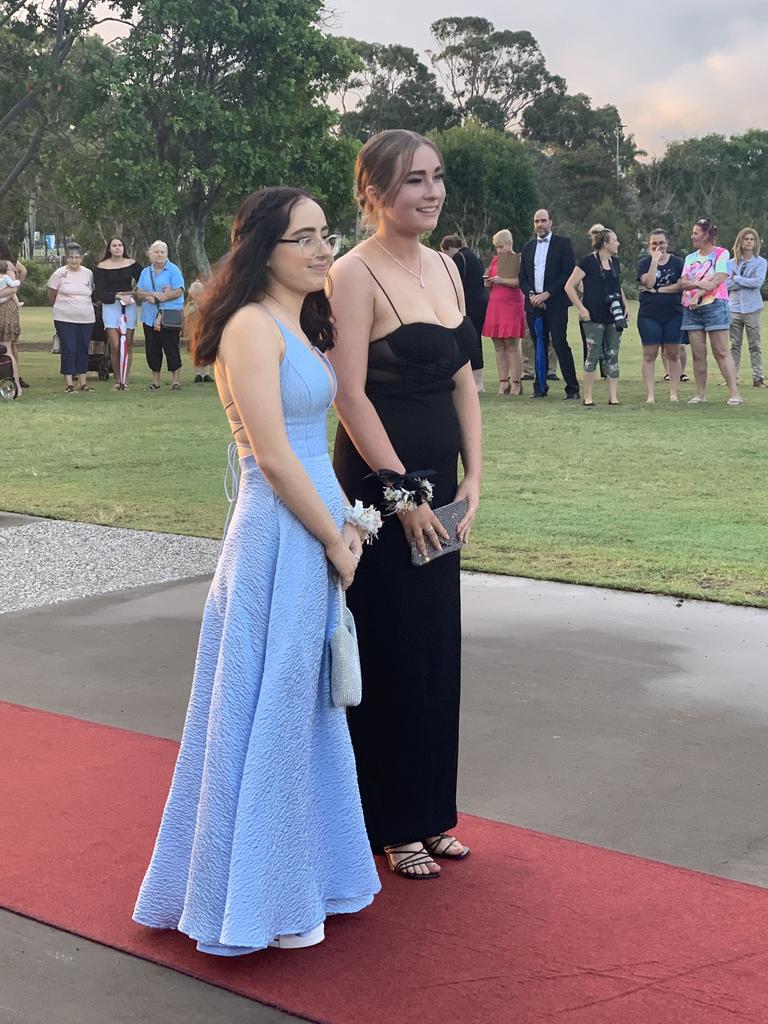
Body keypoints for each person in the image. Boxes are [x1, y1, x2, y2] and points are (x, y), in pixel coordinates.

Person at [133, 186, 380, 955]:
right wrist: (336, 539)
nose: (319, 250)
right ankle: (252, 901)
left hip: (311, 527)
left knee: (304, 706)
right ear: (261, 248)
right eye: (301, 238)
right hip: (278, 533)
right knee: (267, 708)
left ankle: (299, 876)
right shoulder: (248, 326)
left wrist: (345, 527)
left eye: (324, 235)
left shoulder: (297, 325)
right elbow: (271, 457)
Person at [328, 129, 482, 880]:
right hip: (377, 489)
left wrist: (474, 478)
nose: (431, 191)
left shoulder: (450, 267)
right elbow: (349, 394)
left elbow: (463, 380)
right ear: (374, 194)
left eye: (437, 177)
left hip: (443, 484)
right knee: (387, 648)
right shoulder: (351, 274)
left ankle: (431, 811)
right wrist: (402, 493)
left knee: (433, 647)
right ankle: (389, 824)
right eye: (414, 181)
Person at [676, 219, 741, 405]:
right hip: (691, 309)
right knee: (698, 353)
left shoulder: (721, 253)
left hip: (715, 305)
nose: (692, 236)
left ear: (706, 235)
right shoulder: (690, 258)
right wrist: (696, 286)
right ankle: (700, 394)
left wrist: (700, 294)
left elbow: (718, 279)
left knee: (721, 351)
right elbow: (683, 282)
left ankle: (735, 393)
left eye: (696, 233)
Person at [518, 208, 580, 399]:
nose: (540, 225)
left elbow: (567, 273)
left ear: (551, 222)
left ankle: (572, 389)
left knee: (560, 343)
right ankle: (540, 387)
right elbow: (523, 276)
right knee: (538, 346)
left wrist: (546, 294)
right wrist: (531, 294)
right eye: (537, 221)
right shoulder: (528, 247)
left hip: (555, 304)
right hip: (533, 305)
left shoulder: (563, 244)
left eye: (543, 221)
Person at [565, 225, 629, 407]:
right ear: (606, 243)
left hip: (613, 315)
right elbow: (569, 286)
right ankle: (588, 397)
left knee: (612, 354)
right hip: (593, 316)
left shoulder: (615, 263)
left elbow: (617, 286)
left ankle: (613, 397)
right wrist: (581, 309)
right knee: (593, 354)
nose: (618, 243)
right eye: (615, 240)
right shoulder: (587, 262)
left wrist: (624, 305)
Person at [636, 229, 685, 402]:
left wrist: (658, 290)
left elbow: (681, 286)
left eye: (661, 243)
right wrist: (654, 262)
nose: (658, 246)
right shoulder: (644, 263)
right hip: (649, 315)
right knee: (650, 355)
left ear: (667, 243)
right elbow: (648, 282)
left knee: (674, 354)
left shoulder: (678, 263)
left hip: (673, 313)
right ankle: (650, 394)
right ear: (649, 246)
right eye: (654, 243)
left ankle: (673, 393)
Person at [93, 238, 143, 390]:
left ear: (123, 247)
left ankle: (125, 380)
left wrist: (135, 293)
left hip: (129, 305)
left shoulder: (132, 264)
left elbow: (144, 279)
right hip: (111, 306)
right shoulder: (102, 266)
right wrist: (117, 296)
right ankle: (117, 379)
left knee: (127, 344)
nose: (117, 248)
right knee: (115, 345)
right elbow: (99, 292)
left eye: (120, 245)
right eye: (114, 245)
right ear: (109, 249)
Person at [482, 229, 526, 395]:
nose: (499, 250)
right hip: (495, 304)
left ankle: (516, 382)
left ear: (509, 243)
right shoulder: (495, 260)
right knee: (498, 345)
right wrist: (489, 283)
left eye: (501, 246)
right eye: (497, 247)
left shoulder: (517, 259)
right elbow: (492, 278)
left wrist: (502, 280)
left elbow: (521, 282)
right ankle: (503, 381)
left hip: (511, 304)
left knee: (512, 344)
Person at [47, 242, 95, 393]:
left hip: (86, 318)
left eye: (77, 257)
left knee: (83, 348)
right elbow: (51, 294)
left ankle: (83, 381)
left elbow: (91, 291)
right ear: (66, 258)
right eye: (71, 257)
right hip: (64, 317)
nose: (74, 260)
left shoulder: (88, 273)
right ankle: (69, 383)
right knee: (69, 347)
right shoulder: (59, 273)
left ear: (81, 258)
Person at [136, 240, 185, 390]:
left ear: (166, 254)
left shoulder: (173, 270)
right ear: (150, 253)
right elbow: (138, 292)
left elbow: (179, 290)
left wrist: (159, 297)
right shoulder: (145, 272)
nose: (159, 254)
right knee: (152, 349)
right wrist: (150, 295)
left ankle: (175, 381)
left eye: (162, 251)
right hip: (150, 317)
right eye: (156, 251)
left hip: (169, 315)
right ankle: (155, 381)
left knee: (171, 348)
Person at [440, 234, 486, 391]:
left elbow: (455, 282)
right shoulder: (474, 257)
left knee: (469, 343)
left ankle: (476, 382)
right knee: (476, 341)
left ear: (450, 249)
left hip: (468, 307)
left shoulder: (459, 258)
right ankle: (478, 380)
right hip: (480, 305)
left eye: (446, 253)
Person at [727, 227, 767, 388]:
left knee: (755, 344)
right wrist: (744, 280)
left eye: (752, 239)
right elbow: (726, 283)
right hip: (734, 307)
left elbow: (757, 283)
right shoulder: (730, 263)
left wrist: (737, 278)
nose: (749, 242)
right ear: (740, 242)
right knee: (734, 344)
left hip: (752, 308)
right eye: (746, 239)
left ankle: (758, 377)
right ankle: (732, 376)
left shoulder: (761, 262)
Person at [0, 238, 28, 388]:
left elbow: (21, 273)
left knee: (8, 345)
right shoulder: (10, 263)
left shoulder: (7, 264)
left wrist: (13, 290)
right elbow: (23, 271)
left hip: (5, 309)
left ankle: (13, 378)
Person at [184, 279, 214, 383]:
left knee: (206, 352)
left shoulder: (206, 305)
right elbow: (187, 318)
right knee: (195, 353)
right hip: (194, 334)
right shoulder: (190, 305)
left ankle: (205, 373)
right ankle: (198, 373)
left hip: (204, 333)